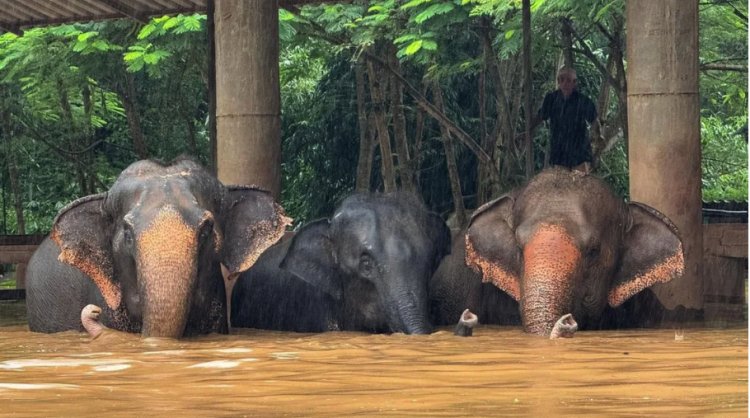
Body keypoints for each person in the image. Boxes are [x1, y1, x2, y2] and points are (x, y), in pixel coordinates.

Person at [529, 66, 597, 172]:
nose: (565, 83)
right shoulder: (551, 99)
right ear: (558, 81)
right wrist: (528, 130)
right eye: (562, 79)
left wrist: (598, 138)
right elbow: (541, 116)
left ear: (575, 83)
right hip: (559, 153)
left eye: (569, 80)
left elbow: (595, 122)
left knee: (580, 185)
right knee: (560, 185)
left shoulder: (584, 101)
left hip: (580, 154)